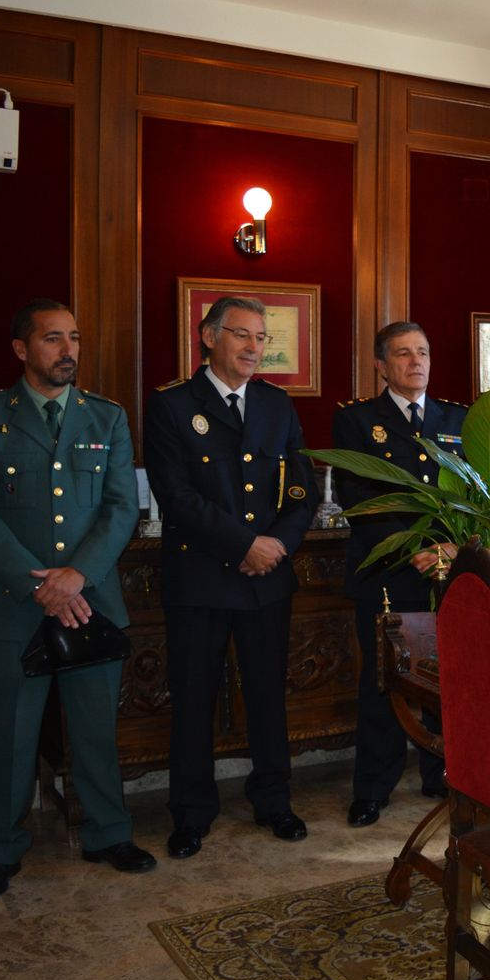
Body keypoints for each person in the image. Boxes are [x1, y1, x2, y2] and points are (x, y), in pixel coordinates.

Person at [0, 298, 156, 900]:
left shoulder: (107, 418)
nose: (68, 350)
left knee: (95, 727)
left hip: (90, 600)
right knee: (10, 731)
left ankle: (108, 833)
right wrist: (42, 583)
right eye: (52, 339)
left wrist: (77, 576)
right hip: (14, 606)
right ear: (21, 349)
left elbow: (122, 508)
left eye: (74, 338)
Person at [145, 296, 317, 859]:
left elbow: (300, 491)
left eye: (261, 338)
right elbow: (177, 495)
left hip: (267, 580)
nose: (253, 348)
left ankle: (274, 800)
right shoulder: (173, 405)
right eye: (241, 335)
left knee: (269, 695)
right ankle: (191, 813)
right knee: (193, 698)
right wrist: (246, 543)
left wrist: (277, 546)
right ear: (208, 336)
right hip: (200, 579)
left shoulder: (274, 404)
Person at [332, 321, 465, 827]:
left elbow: (478, 492)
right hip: (389, 572)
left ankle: (441, 773)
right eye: (404, 354)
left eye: (424, 352)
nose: (417, 363)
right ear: (381, 365)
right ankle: (372, 786)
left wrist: (453, 546)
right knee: (385, 680)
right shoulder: (359, 421)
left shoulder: (458, 417)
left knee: (444, 676)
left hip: (449, 573)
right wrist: (416, 548)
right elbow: (360, 499)